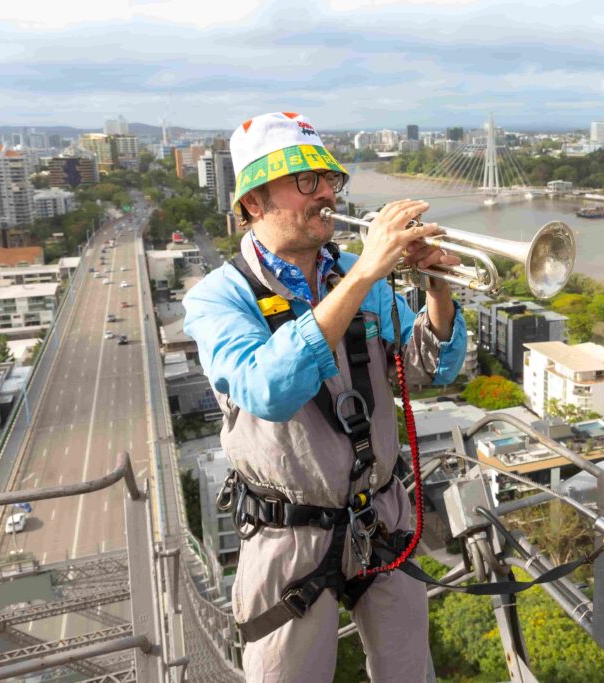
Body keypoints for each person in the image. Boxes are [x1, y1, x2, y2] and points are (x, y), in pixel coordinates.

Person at [183, 111, 467, 682]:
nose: (327, 194)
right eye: (306, 182)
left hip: (382, 516)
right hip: (287, 534)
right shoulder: (218, 298)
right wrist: (364, 274)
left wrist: (438, 287)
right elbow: (267, 390)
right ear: (255, 202)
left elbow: (431, 368)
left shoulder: (352, 275)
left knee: (411, 674)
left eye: (330, 179)